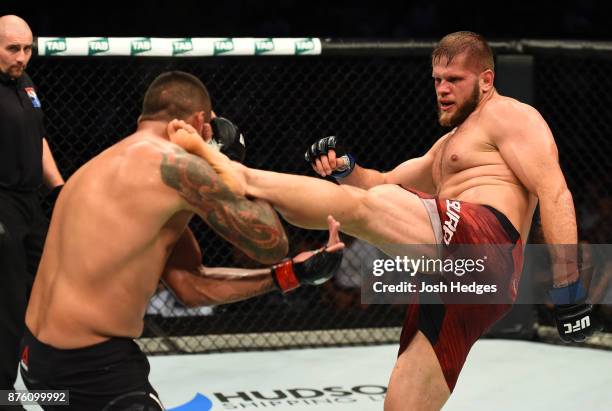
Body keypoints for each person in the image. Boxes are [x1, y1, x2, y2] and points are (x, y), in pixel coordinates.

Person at [172, 32, 598, 410]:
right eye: (437, 80)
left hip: (485, 243)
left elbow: (555, 192)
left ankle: (239, 175)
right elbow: (377, 182)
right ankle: (243, 179)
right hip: (466, 282)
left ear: (486, 80)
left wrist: (568, 287)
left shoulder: (509, 115)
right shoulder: (447, 146)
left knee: (368, 206)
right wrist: (344, 168)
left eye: (454, 80)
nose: (443, 90)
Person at [20, 71, 344, 410]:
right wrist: (226, 162)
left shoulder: (97, 170)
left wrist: (289, 275)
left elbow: (191, 286)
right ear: (201, 122)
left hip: (38, 367)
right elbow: (271, 243)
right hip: (94, 370)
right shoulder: (171, 165)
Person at [0, 15, 64, 400]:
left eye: (28, 49)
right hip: (1, 202)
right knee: (7, 303)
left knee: (50, 290)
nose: (22, 57)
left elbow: (37, 138)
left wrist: (59, 187)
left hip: (30, 204)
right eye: (13, 49)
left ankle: (48, 380)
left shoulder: (24, 83)